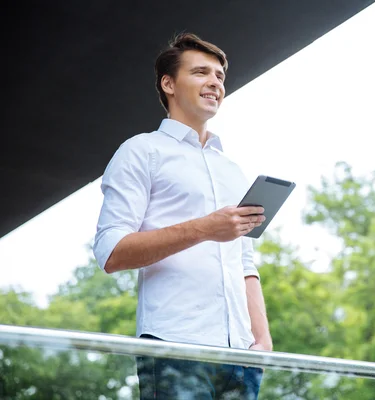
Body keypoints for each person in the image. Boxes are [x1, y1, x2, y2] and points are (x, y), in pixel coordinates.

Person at [92, 32, 272, 399]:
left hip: (242, 355)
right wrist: (205, 228)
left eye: (220, 76)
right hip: (175, 346)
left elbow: (245, 259)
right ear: (168, 83)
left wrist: (262, 338)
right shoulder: (141, 151)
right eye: (201, 72)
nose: (215, 83)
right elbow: (110, 252)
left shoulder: (231, 169)